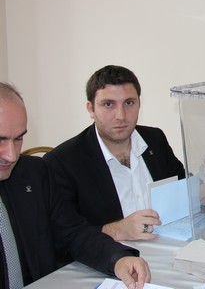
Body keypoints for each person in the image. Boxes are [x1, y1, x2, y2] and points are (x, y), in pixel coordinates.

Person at [0, 82, 150, 288]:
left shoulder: (34, 173)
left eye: (18, 139)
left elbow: (73, 234)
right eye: (0, 140)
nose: (11, 154)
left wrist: (118, 259)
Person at [44, 65, 186, 242]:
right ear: (90, 109)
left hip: (168, 246)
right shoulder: (62, 162)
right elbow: (63, 234)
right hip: (109, 256)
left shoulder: (155, 139)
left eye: (129, 103)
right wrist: (118, 230)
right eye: (108, 104)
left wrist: (200, 193)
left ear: (139, 103)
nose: (121, 116)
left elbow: (181, 185)